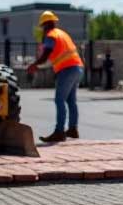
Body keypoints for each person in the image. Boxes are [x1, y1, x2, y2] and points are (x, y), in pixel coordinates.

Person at [26, 10, 84, 142]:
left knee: (59, 100)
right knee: (71, 101)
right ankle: (73, 129)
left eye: (42, 27)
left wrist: (34, 65)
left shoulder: (51, 36)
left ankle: (59, 132)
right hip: (77, 68)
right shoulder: (62, 33)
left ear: (45, 25)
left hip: (67, 69)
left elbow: (47, 54)